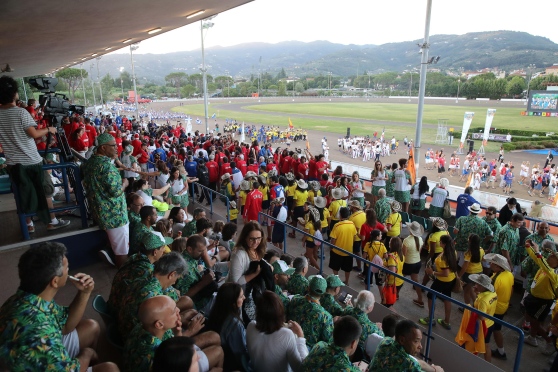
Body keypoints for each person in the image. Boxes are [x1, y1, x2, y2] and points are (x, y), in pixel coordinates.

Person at [0, 242, 118, 371]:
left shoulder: (27, 298)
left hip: (40, 357)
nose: (69, 270)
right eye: (67, 268)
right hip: (48, 360)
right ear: (55, 281)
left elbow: (66, 326)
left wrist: (84, 292)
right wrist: (87, 354)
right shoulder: (39, 333)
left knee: (91, 326)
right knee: (110, 368)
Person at [0, 76, 71, 234]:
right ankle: (52, 221)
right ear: (14, 94)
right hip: (31, 161)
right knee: (44, 191)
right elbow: (33, 133)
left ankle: (29, 224)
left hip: (13, 164)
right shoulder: (21, 113)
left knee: (25, 193)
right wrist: (49, 129)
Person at [83, 132, 129, 267]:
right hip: (115, 215)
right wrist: (124, 184)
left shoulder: (91, 162)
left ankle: (109, 251)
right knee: (122, 252)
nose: (117, 148)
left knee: (115, 241)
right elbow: (115, 191)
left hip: (99, 210)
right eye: (113, 146)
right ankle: (123, 276)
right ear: (103, 147)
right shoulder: (107, 167)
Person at [246, 291, 308, 372]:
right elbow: (301, 369)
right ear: (280, 313)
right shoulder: (286, 334)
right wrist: (300, 337)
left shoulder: (250, 326)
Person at [522, 239, 558, 354]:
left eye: (553, 257)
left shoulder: (553, 274)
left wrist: (537, 251)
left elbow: (541, 261)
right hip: (535, 297)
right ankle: (532, 338)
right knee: (531, 317)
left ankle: (549, 342)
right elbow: (537, 259)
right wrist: (528, 246)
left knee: (536, 322)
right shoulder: (546, 267)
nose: (549, 257)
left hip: (543, 301)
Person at [206, 282, 250, 371]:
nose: (244, 298)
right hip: (230, 363)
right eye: (241, 297)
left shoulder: (215, 312)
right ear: (233, 302)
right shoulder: (235, 324)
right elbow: (240, 353)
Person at [371, 320, 444, 372]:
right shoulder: (410, 365)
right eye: (416, 341)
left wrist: (434, 370)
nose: (420, 346)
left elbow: (420, 363)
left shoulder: (386, 341)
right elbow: (413, 363)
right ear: (402, 340)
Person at [419, 235, 458, 330]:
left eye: (440, 242)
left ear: (444, 244)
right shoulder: (453, 252)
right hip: (451, 279)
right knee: (447, 298)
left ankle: (431, 318)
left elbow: (445, 273)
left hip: (442, 281)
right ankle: (446, 321)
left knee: (430, 296)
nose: (439, 243)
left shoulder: (443, 258)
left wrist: (432, 272)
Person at [454, 274, 497, 357]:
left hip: (482, 327)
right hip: (490, 323)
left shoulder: (483, 301)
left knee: (474, 348)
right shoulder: (493, 293)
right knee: (486, 346)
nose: (475, 285)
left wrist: (470, 310)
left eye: (477, 284)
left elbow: (481, 317)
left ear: (483, 287)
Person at [174, 235, 219, 313]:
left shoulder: (191, 257)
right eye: (200, 251)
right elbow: (183, 297)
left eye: (204, 251)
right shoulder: (183, 268)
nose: (203, 254)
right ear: (190, 249)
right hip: (197, 305)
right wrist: (204, 283)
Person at [287, 275, 334, 349]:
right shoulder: (326, 316)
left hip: (288, 339)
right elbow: (328, 343)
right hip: (307, 352)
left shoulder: (295, 299)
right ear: (323, 293)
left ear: (308, 288)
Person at [483, 253, 514, 361]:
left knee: (485, 336)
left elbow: (489, 295)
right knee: (497, 330)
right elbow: (511, 289)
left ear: (498, 267)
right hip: (503, 306)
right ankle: (501, 352)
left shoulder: (496, 279)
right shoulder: (509, 274)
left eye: (492, 263)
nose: (490, 264)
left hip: (495, 308)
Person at [343, 290, 384, 359]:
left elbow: (350, 309)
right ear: (369, 308)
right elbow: (382, 338)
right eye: (373, 303)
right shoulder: (372, 328)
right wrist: (379, 329)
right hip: (357, 356)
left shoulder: (347, 310)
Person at [227, 221, 267, 285]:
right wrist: (255, 274)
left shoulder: (258, 250)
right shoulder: (238, 254)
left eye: (259, 238)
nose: (256, 242)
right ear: (245, 237)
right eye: (252, 239)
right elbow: (235, 282)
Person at [329, 207, 357, 285]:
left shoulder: (337, 225)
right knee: (347, 269)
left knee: (335, 267)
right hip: (348, 251)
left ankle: (336, 280)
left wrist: (331, 247)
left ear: (340, 215)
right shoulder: (352, 224)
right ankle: (347, 281)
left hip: (337, 251)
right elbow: (354, 237)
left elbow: (333, 239)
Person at [457, 234, 485, 309]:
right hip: (479, 272)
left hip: (469, 274)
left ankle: (467, 308)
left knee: (466, 291)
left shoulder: (468, 253)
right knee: (474, 289)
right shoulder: (481, 250)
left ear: (470, 242)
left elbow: (465, 266)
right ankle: (476, 306)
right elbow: (483, 259)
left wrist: (459, 276)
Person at [403, 221, 425, 307]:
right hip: (417, 262)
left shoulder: (406, 240)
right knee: (416, 281)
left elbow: (404, 254)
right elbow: (419, 252)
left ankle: (395, 294)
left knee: (399, 278)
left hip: (408, 263)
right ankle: (420, 299)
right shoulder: (420, 239)